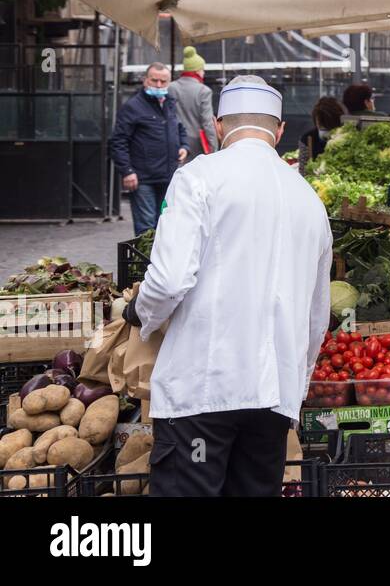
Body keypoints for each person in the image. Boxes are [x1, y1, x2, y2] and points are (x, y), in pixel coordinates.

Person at [121, 75, 332, 497]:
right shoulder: (309, 199)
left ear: (218, 127)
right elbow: (316, 316)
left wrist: (141, 312)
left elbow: (168, 279)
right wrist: (298, 383)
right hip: (273, 398)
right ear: (280, 130)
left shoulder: (199, 176)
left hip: (203, 393)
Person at [110, 62, 188, 235]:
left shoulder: (169, 103)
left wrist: (184, 146)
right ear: (145, 80)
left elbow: (179, 128)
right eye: (154, 81)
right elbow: (118, 141)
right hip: (143, 177)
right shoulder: (133, 106)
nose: (159, 85)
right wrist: (127, 171)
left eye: (163, 81)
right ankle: (145, 262)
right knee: (146, 228)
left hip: (167, 175)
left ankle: (160, 262)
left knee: (165, 224)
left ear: (169, 82)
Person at [169, 46, 218, 161]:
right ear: (197, 71)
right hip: (196, 144)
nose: (203, 73)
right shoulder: (204, 91)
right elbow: (207, 123)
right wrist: (214, 147)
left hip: (174, 141)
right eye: (202, 70)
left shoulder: (171, 87)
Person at [298, 96, 345, 164]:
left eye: (329, 128)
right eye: (321, 127)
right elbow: (303, 169)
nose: (325, 131)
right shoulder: (307, 139)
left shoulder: (346, 138)